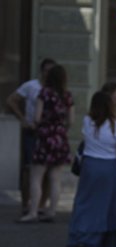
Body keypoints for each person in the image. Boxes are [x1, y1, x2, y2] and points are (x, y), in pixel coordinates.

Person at [67, 91, 116, 247]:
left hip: (90, 166)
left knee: (85, 204)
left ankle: (83, 240)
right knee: (109, 207)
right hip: (109, 168)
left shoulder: (88, 122)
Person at [18, 64, 74, 223]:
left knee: (36, 176)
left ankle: (33, 211)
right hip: (60, 137)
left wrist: (38, 125)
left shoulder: (45, 93)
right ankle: (51, 211)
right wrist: (62, 130)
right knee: (55, 177)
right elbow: (71, 120)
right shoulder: (67, 95)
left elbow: (37, 117)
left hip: (44, 136)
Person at [6, 58, 56, 215]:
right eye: (46, 71)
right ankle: (26, 204)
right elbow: (11, 100)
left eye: (51, 72)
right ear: (41, 71)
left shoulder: (56, 89)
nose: (48, 74)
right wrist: (23, 119)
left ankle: (41, 204)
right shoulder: (31, 86)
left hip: (49, 134)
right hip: (32, 132)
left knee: (48, 170)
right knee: (29, 169)